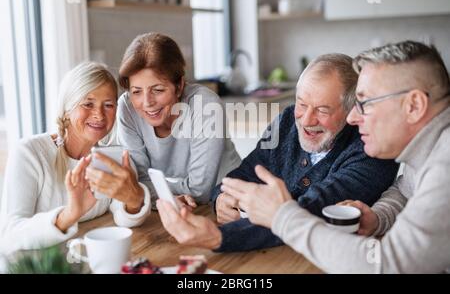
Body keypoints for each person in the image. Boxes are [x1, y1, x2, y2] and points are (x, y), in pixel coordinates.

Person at [220, 40, 450, 273]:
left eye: (366, 103)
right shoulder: (428, 147)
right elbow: (404, 191)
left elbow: (385, 266)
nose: (353, 117)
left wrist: (282, 217)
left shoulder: (445, 166)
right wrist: (378, 218)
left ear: (414, 106)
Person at [156, 53, 399, 252]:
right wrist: (221, 197)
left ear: (351, 111)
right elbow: (244, 173)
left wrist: (220, 237)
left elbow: (310, 211)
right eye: (302, 104)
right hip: (266, 255)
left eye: (323, 110)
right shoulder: (286, 122)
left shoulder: (372, 149)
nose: (306, 119)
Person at [0, 62, 151, 255]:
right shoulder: (30, 153)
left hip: (84, 259)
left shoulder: (110, 157)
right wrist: (69, 214)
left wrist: (134, 199)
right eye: (88, 104)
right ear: (67, 108)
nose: (99, 114)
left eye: (108, 105)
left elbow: (123, 215)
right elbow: (10, 235)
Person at [116, 32, 241, 206]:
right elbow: (138, 180)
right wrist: (160, 196)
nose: (147, 103)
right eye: (136, 91)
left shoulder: (205, 105)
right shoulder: (127, 108)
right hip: (177, 205)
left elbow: (200, 191)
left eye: (158, 90)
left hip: (230, 201)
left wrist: (147, 193)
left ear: (179, 85)